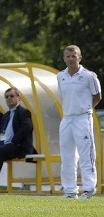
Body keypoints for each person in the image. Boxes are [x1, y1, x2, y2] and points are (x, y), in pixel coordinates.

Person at [57, 45, 101, 199]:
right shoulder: (60, 76)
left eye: (73, 56)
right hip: (67, 118)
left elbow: (97, 96)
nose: (71, 59)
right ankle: (69, 190)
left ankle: (89, 188)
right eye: (68, 56)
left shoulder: (89, 76)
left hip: (83, 118)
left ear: (79, 58)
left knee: (86, 153)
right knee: (67, 156)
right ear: (64, 58)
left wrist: (86, 109)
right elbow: (62, 97)